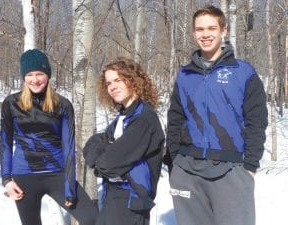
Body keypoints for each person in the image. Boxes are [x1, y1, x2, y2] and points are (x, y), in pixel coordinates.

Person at [165, 5, 268, 225]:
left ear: (224, 31)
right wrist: (175, 161)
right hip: (188, 169)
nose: (205, 34)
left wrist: (250, 165)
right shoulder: (185, 74)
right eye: (200, 29)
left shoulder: (243, 72)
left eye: (212, 28)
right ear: (193, 33)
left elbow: (256, 121)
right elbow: (174, 118)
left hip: (231, 170)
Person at [0, 48, 98, 225]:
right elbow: (5, 143)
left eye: (40, 73)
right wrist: (6, 179)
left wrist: (69, 187)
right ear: (23, 77)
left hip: (57, 174)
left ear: (48, 75)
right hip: (24, 176)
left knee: (93, 218)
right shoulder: (11, 104)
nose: (35, 79)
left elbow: (69, 147)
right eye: (29, 74)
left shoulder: (63, 105)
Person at [83, 57, 165, 225]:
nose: (112, 87)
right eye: (108, 83)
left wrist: (102, 158)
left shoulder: (144, 118)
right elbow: (91, 145)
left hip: (131, 198)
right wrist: (104, 153)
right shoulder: (123, 116)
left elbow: (107, 163)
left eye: (118, 80)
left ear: (133, 79)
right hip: (113, 194)